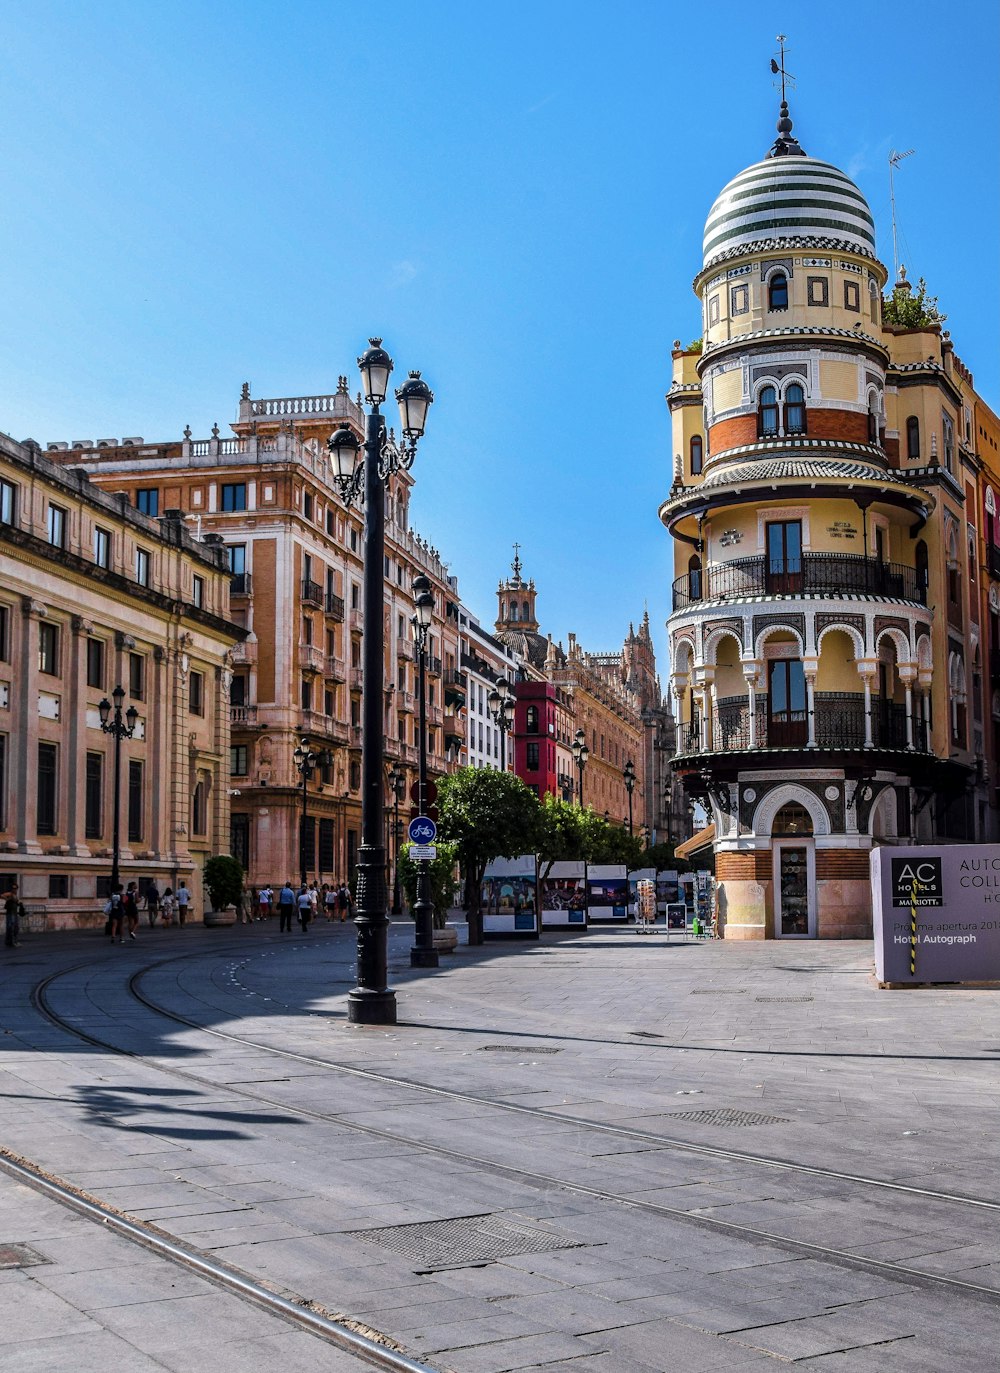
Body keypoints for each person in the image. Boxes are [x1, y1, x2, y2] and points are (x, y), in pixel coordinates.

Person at [4, 879, 22, 949]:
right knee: (11, 928)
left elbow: (17, 902)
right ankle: (12, 942)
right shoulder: (10, 894)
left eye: (16, 888)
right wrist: (6, 899)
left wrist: (19, 903)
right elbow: (2, 895)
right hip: (10, 914)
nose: (15, 889)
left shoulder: (15, 896)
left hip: (14, 914)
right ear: (11, 888)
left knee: (15, 928)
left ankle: (12, 941)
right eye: (13, 888)